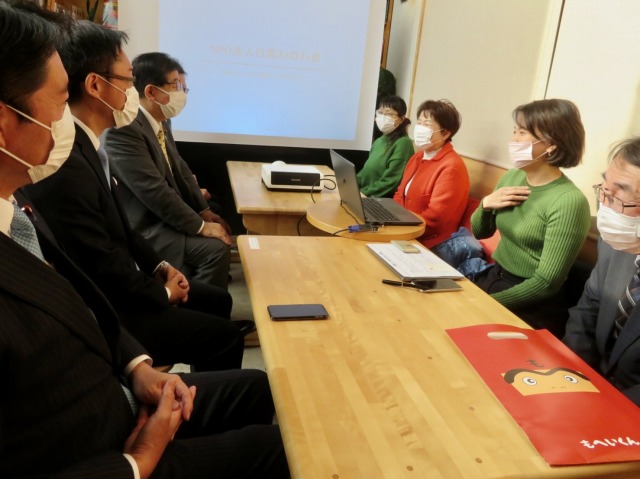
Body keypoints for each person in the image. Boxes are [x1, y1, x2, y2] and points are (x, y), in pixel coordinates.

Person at [0, 2, 288, 477]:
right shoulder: (57, 175)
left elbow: (83, 294)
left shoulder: (17, 207)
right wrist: (135, 463)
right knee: (285, 451)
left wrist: (137, 367)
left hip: (121, 390)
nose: (65, 116)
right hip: (106, 448)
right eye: (60, 100)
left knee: (255, 387)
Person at [24, 21, 253, 372]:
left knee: (218, 300)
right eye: (128, 81)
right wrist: (162, 293)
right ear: (96, 85)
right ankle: (203, 398)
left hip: (132, 277)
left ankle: (207, 383)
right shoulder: (67, 163)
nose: (133, 92)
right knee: (225, 338)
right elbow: (99, 264)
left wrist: (162, 267)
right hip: (114, 310)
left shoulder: (90, 145)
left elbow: (124, 230)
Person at [103, 52, 231, 290]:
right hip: (145, 225)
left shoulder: (161, 118)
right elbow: (153, 190)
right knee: (216, 250)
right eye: (175, 86)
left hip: (162, 214)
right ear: (151, 92)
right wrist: (201, 226)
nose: (182, 94)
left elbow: (178, 166)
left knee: (217, 216)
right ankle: (193, 306)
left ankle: (203, 293)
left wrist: (203, 212)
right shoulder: (124, 129)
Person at [470, 99, 590, 338]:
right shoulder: (512, 177)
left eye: (522, 133)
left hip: (532, 303)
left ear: (552, 145)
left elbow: (546, 283)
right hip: (495, 276)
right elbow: (481, 232)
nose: (513, 140)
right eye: (514, 131)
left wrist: (489, 302)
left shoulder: (568, 201)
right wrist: (485, 205)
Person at [564, 137, 640, 406]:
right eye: (605, 190)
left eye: (618, 194)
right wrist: (572, 377)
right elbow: (587, 311)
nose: (604, 207)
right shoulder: (614, 242)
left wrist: (610, 411)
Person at [392, 99, 470, 259]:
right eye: (419, 123)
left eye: (426, 124)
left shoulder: (451, 166)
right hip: (406, 231)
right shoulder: (418, 156)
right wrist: (390, 219)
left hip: (431, 243)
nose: (420, 128)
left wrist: (401, 229)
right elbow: (400, 194)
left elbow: (436, 219)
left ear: (445, 133)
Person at [357, 95, 414, 198]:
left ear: (401, 119)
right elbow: (366, 172)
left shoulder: (403, 143)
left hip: (379, 199)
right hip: (363, 194)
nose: (383, 117)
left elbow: (392, 180)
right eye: (380, 112)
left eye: (389, 114)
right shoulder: (379, 141)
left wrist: (365, 193)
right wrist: (351, 184)